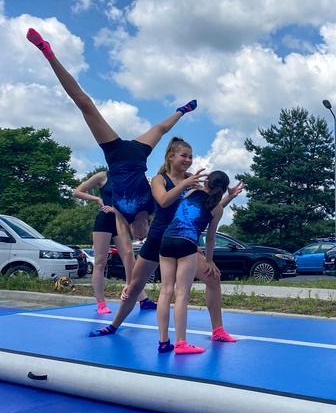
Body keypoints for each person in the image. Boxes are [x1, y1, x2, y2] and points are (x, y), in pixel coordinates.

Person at [26, 28, 196, 289]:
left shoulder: (122, 217)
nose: (141, 236)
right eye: (145, 235)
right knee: (161, 129)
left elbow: (128, 251)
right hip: (139, 155)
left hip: (116, 155)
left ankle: (47, 53)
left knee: (84, 104)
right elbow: (169, 190)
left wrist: (132, 286)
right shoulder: (153, 205)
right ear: (148, 226)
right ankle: (182, 110)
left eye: (139, 237)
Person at [89, 138, 239, 344]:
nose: (188, 160)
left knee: (213, 279)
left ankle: (218, 330)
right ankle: (113, 325)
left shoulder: (193, 181)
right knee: (134, 287)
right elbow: (163, 200)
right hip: (157, 239)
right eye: (184, 156)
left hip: (182, 240)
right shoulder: (160, 179)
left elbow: (209, 208)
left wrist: (227, 197)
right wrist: (186, 184)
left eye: (190, 157)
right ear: (170, 156)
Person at [157, 171, 243, 355]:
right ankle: (182, 342)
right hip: (187, 244)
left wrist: (228, 196)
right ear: (222, 188)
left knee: (166, 291)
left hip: (167, 240)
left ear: (207, 182)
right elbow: (211, 231)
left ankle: (164, 342)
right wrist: (209, 260)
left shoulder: (190, 191)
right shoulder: (215, 206)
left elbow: (205, 207)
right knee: (183, 293)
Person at [73, 171, 153, 314]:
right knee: (100, 262)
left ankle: (142, 299)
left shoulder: (129, 177)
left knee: (130, 259)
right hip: (104, 220)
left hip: (120, 220)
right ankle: (101, 304)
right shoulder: (103, 176)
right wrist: (97, 199)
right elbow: (77, 192)